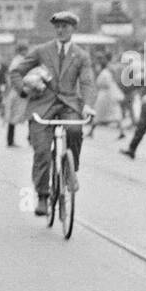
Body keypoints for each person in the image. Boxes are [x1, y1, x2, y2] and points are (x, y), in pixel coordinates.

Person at [10, 12, 96, 216]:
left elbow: (87, 82)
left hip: (69, 104)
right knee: (41, 151)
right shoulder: (42, 51)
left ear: (73, 29)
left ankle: (70, 172)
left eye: (65, 27)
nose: (60, 30)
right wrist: (23, 89)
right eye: (57, 26)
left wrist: (88, 105)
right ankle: (42, 196)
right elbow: (16, 72)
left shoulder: (81, 55)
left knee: (75, 130)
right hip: (42, 105)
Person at [1, 42, 30, 147]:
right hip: (19, 91)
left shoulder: (16, 60)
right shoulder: (20, 61)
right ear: (22, 51)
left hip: (16, 90)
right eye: (25, 50)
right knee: (20, 114)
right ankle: (13, 140)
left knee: (14, 115)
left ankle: (11, 140)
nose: (27, 52)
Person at [90, 57, 126, 139]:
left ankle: (121, 132)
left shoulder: (105, 73)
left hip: (106, 96)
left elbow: (106, 84)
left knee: (101, 114)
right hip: (106, 95)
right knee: (106, 114)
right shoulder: (105, 73)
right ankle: (91, 131)